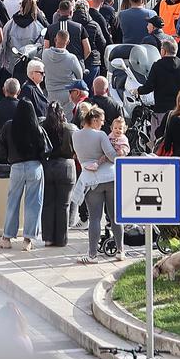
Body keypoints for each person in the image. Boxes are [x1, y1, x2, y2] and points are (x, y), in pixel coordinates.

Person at [71, 104, 122, 263]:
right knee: (115, 217)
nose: (103, 123)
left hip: (91, 180)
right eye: (101, 120)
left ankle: (92, 255)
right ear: (94, 120)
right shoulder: (100, 135)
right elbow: (113, 156)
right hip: (110, 177)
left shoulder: (75, 135)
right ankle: (120, 251)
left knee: (94, 218)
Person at [0, 100, 47, 251]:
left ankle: (6, 237)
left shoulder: (9, 126)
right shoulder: (37, 127)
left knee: (12, 202)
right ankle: (28, 239)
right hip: (34, 166)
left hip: (16, 167)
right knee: (34, 203)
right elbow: (46, 148)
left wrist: (8, 157)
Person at [40, 102, 78, 248]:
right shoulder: (70, 129)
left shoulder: (42, 127)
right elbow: (77, 149)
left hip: (47, 166)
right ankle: (61, 239)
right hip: (67, 166)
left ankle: (48, 238)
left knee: (47, 204)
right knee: (64, 205)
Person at [140, 37, 180, 115]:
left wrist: (138, 90)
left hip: (161, 109)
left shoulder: (157, 66)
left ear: (163, 51)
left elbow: (149, 87)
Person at [41, 29, 85, 110]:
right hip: (67, 96)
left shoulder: (45, 54)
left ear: (55, 40)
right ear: (68, 42)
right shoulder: (72, 58)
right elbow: (80, 76)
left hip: (51, 93)